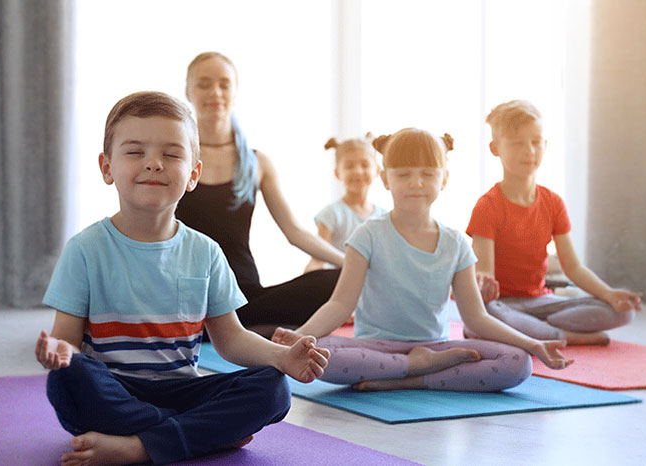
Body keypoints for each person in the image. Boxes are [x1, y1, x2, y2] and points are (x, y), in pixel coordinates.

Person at [35, 91, 330, 466]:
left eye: (171, 154)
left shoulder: (206, 252)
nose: (154, 164)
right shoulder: (84, 249)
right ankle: (197, 435)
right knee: (68, 378)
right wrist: (60, 353)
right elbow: (67, 342)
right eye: (135, 152)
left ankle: (140, 447)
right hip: (114, 392)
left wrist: (283, 357)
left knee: (273, 388)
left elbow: (231, 340)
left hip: (184, 390)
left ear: (193, 174)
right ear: (106, 168)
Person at [273, 128, 571, 393]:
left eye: (428, 174)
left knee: (518, 363)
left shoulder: (456, 243)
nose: (416, 183)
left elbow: (476, 318)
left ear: (444, 179)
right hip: (375, 347)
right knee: (319, 354)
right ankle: (413, 367)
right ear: (385, 179)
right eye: (403, 174)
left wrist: (532, 344)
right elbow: (340, 305)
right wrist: (300, 336)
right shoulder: (368, 235)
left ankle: (410, 377)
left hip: (437, 347)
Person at [176, 52, 346, 336]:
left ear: (235, 90)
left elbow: (295, 232)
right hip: (187, 298)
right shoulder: (175, 156)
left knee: (339, 280)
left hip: (243, 296)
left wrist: (354, 266)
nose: (215, 92)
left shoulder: (258, 162)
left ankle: (236, 329)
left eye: (224, 84)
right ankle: (239, 330)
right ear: (188, 91)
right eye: (204, 84)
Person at [466, 100, 642, 346]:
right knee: (484, 316)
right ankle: (563, 336)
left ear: (545, 145)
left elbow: (574, 268)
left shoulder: (553, 202)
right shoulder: (488, 206)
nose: (529, 151)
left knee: (623, 310)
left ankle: (539, 332)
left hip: (542, 302)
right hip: (503, 304)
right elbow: (484, 273)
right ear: (495, 148)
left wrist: (609, 294)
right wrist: (480, 285)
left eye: (536, 142)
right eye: (517, 143)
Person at [304, 133, 389, 273]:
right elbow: (317, 259)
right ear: (337, 173)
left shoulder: (384, 216)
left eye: (364, 165)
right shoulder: (331, 215)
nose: (358, 171)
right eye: (349, 166)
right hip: (339, 281)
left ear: (377, 171)